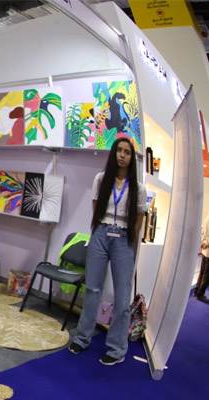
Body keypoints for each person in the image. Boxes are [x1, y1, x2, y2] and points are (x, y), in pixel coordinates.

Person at [69, 137, 147, 366]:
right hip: (101, 234)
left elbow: (138, 219)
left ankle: (116, 349)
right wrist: (99, 231)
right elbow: (96, 209)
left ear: (132, 158)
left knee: (122, 297)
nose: (122, 155)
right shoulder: (101, 179)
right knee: (92, 289)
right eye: (119, 150)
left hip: (123, 239)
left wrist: (129, 238)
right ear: (114, 153)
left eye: (127, 152)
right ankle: (82, 338)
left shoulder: (139, 188)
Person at [196, 216, 209, 303]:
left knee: (202, 272)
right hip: (207, 249)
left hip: (205, 249)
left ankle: (197, 290)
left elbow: (203, 233)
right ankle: (200, 294)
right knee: (206, 275)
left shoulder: (207, 218)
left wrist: (203, 243)